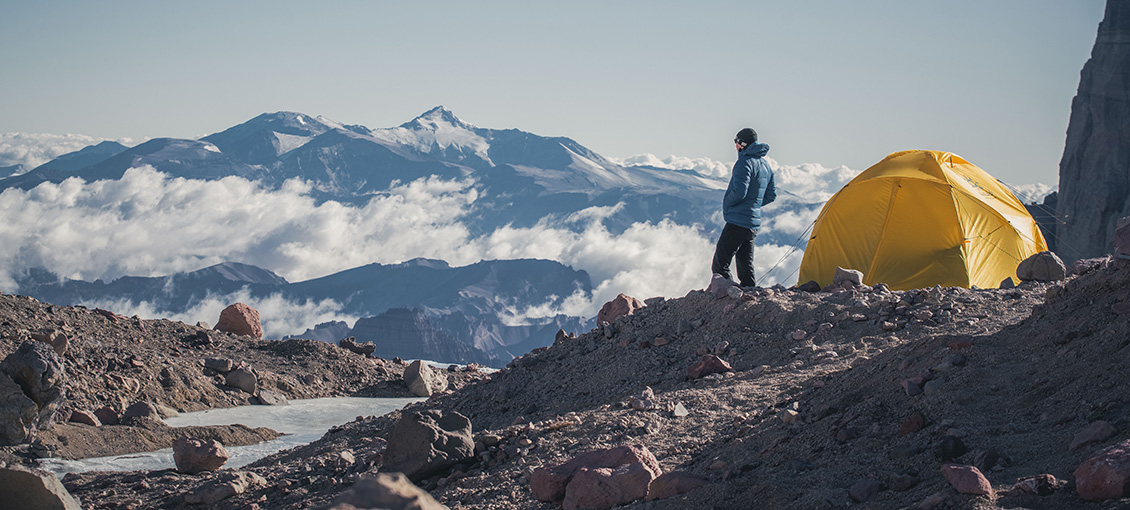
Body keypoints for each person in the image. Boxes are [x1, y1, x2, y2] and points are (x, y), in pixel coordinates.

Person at [711, 127, 776, 287]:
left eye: (736, 142)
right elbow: (771, 195)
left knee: (720, 265)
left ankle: (726, 297)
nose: (735, 146)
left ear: (742, 143)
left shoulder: (744, 163)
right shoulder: (766, 165)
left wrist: (728, 203)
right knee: (745, 266)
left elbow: (740, 191)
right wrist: (753, 206)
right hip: (752, 224)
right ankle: (750, 296)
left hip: (737, 221)